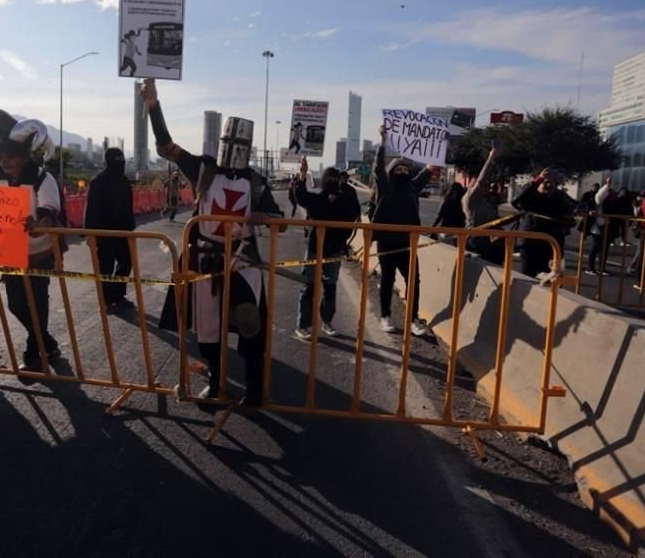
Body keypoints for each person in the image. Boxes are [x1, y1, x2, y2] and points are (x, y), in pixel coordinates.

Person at [143, 78, 283, 407]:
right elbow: (167, 147)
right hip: (204, 260)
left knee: (250, 323)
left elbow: (279, 219)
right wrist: (154, 107)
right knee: (207, 328)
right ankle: (216, 383)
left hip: (242, 261)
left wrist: (265, 216)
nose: (231, 145)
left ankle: (253, 388)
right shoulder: (203, 168)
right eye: (228, 139)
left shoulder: (255, 181)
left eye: (237, 141)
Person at [0, 107, 63, 381]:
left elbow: (50, 209)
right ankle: (46, 341)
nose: (6, 160)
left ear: (25, 155)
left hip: (39, 254)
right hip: (10, 253)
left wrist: (40, 224)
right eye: (0, 155)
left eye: (11, 154)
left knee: (36, 302)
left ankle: (33, 355)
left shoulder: (41, 178)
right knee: (15, 305)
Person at [372, 125, 435, 336]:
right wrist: (383, 141)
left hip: (407, 244)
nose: (402, 171)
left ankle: (412, 319)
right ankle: (385, 316)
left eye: (405, 169)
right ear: (391, 172)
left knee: (413, 281)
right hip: (386, 243)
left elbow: (427, 171)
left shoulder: (412, 187)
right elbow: (377, 168)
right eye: (398, 169)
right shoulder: (384, 186)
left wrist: (435, 152)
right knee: (388, 280)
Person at [293, 158, 360, 339]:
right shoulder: (320, 200)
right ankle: (305, 324)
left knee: (325, 287)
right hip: (320, 248)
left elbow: (353, 212)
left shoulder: (344, 200)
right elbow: (301, 196)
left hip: (332, 249)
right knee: (311, 287)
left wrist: (302, 174)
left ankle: (323, 322)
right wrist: (302, 173)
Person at [85, 147, 136, 311]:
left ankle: (118, 295)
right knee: (105, 267)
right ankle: (106, 299)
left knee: (126, 264)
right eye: (118, 162)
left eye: (122, 162)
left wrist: (131, 228)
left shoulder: (124, 181)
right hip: (104, 233)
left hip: (123, 232)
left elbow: (129, 206)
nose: (121, 165)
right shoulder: (98, 182)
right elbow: (91, 209)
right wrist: (89, 234)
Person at [512, 168, 575, 279]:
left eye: (552, 183)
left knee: (551, 280)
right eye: (545, 182)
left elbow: (574, 207)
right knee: (527, 277)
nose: (548, 185)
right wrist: (538, 180)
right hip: (529, 243)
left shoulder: (559, 197)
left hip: (551, 244)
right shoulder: (531, 195)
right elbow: (516, 200)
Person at [462, 146, 506, 263]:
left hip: (486, 241)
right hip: (473, 241)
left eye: (488, 185)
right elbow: (480, 181)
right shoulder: (469, 199)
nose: (485, 186)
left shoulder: (487, 201)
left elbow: (494, 221)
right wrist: (490, 159)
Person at [586, 177, 618, 276]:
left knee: (604, 249)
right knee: (595, 248)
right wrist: (607, 185)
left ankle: (601, 268)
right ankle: (590, 268)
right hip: (598, 227)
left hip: (607, 227)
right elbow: (599, 197)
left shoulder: (611, 202)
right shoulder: (600, 200)